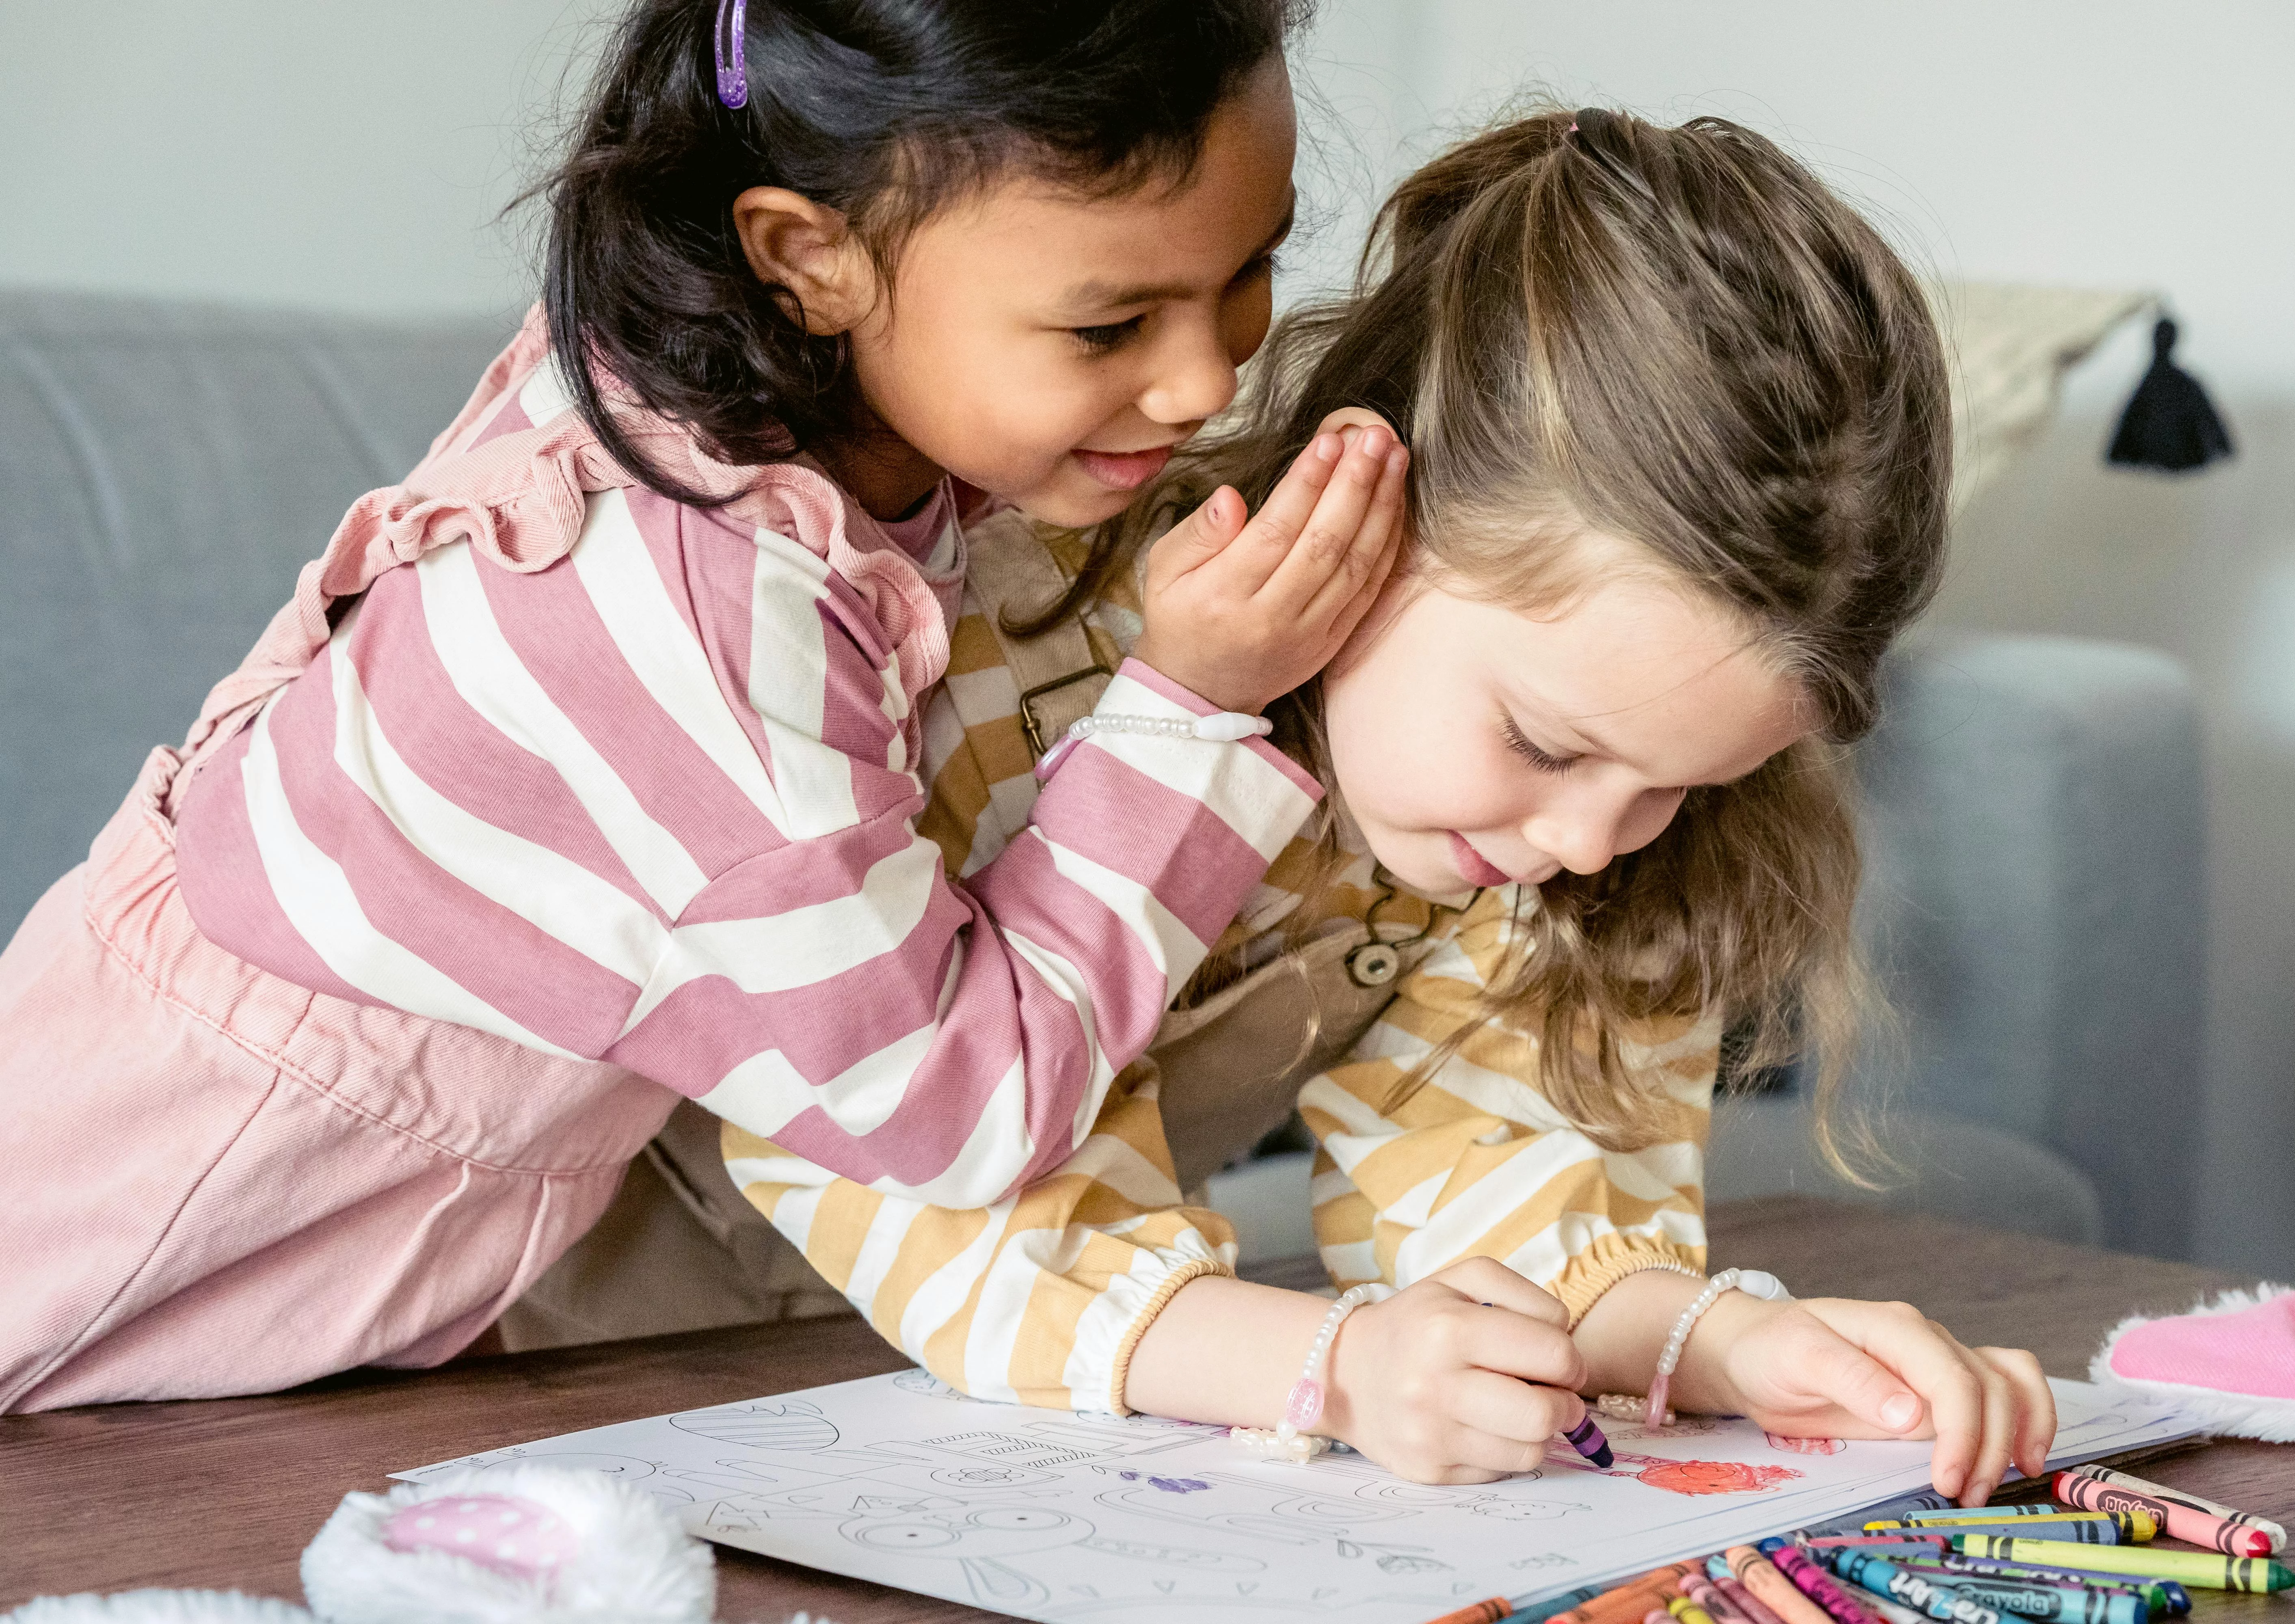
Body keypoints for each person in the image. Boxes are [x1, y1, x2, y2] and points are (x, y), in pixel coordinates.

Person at [0, 0, 1413, 1412]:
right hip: (153, 1229)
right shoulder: (694, 613)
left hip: (347, 1246)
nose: (1207, 379)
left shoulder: (770, 390)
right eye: (1108, 326)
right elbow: (956, 1112)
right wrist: (1192, 708)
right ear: (808, 259)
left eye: (1252, 267)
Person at [716, 107, 2061, 1501]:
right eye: (1545, 743)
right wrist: (1338, 1369)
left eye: (1676, 784)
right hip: (634, 1350)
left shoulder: (1528, 837)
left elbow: (1494, 1168)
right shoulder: (985, 651)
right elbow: (924, 1163)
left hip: (962, 1427)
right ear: (1372, 506)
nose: (1590, 840)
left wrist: (1722, 1345)